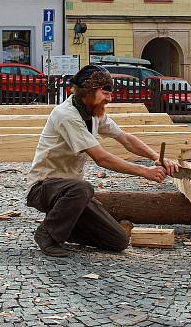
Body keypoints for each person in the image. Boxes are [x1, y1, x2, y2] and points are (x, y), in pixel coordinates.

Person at [26, 64, 179, 257]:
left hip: (69, 193)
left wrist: (156, 157)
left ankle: (62, 227)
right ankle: (47, 234)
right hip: (43, 188)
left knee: (118, 241)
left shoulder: (94, 114)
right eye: (105, 93)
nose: (109, 98)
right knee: (83, 188)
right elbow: (101, 157)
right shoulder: (67, 115)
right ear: (88, 91)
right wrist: (145, 171)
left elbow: (125, 139)